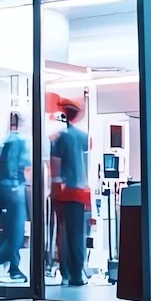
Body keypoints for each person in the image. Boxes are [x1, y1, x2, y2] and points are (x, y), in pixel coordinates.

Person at [50, 101, 89, 287]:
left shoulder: (60, 138)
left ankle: (66, 272)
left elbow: (56, 164)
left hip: (65, 191)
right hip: (81, 191)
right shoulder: (83, 136)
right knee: (77, 233)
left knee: (63, 233)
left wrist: (54, 185)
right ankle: (77, 274)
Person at [0, 111, 30, 283]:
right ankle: (2, 264)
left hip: (4, 188)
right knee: (16, 231)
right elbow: (15, 164)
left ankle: (10, 266)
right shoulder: (17, 141)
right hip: (14, 189)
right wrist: (15, 185)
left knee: (10, 231)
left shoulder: (5, 140)